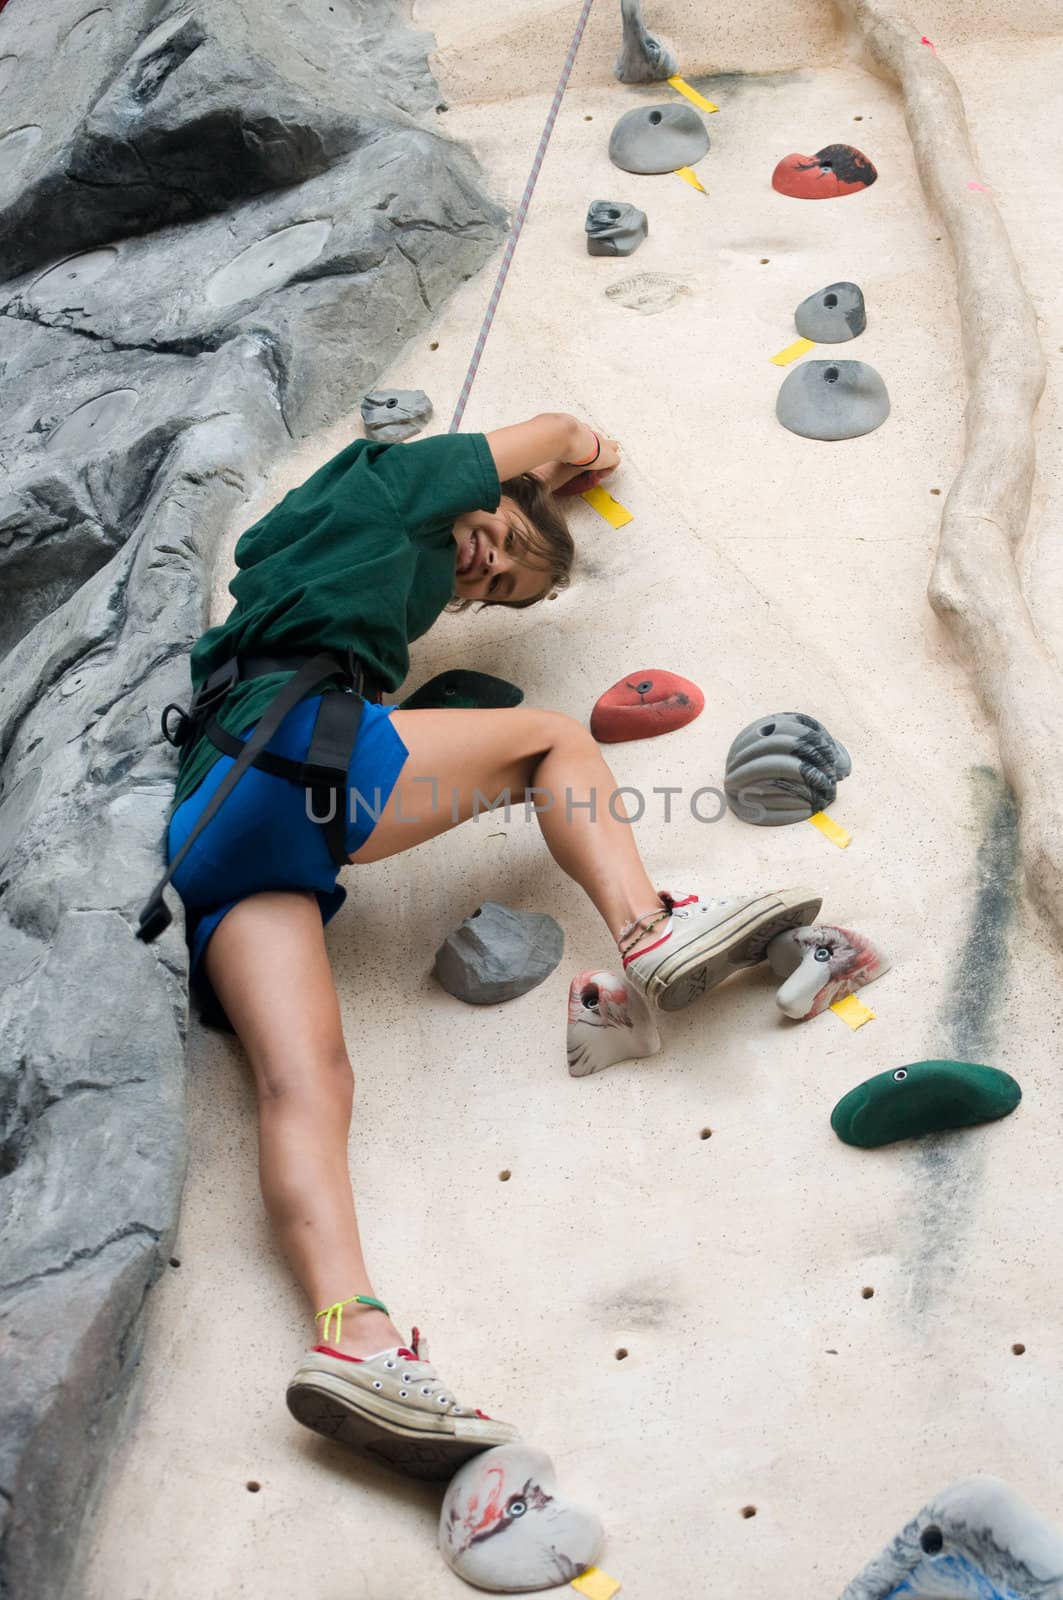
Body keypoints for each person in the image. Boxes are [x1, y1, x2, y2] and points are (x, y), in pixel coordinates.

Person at [164, 412, 821, 1479]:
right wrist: (580, 458)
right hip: (298, 753)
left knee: (307, 1083)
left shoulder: (307, 565)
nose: (484, 571)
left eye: (494, 593)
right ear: (491, 490)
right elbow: (567, 427)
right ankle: (648, 928)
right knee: (553, 739)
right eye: (503, 542)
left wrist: (525, 508)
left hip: (217, 817)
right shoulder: (385, 486)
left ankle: (356, 1338)